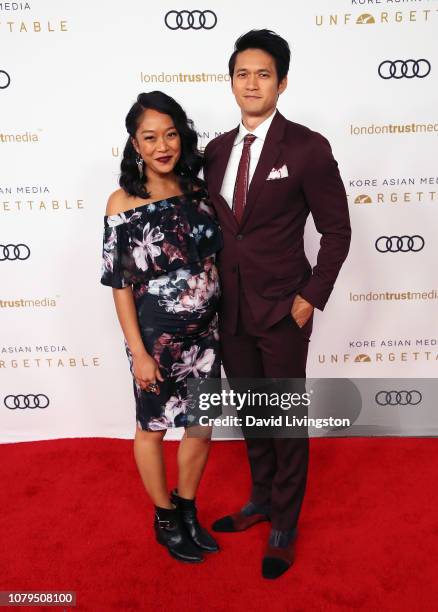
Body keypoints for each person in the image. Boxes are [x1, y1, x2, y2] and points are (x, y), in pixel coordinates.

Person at [203, 30, 351, 578]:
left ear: (282, 82)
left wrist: (310, 297)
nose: (252, 83)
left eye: (264, 74)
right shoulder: (216, 150)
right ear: (232, 81)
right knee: (251, 412)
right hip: (230, 309)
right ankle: (261, 499)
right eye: (243, 73)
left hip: (284, 308)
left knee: (285, 418)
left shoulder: (307, 148)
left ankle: (285, 523)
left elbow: (337, 231)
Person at [100, 91, 223, 564]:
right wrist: (139, 352)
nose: (162, 145)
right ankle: (165, 518)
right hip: (158, 339)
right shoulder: (123, 203)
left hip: (208, 336)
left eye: (170, 134)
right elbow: (120, 285)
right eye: (150, 137)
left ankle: (188, 508)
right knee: (152, 428)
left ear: (182, 136)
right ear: (135, 143)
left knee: (200, 426)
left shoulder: (197, 190)